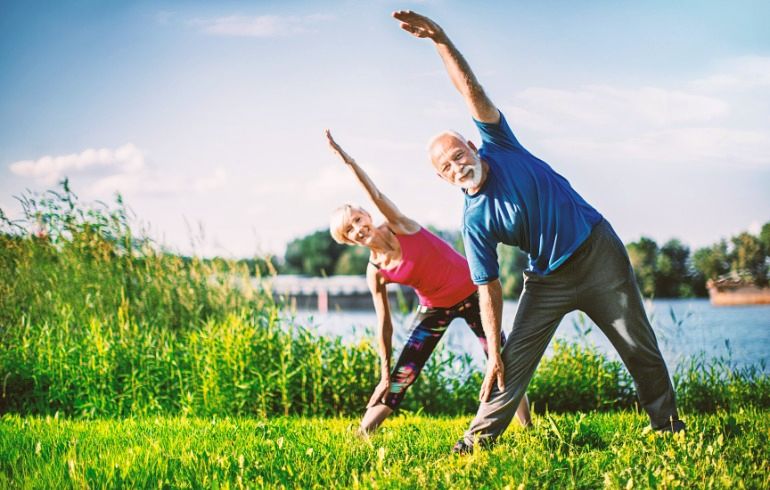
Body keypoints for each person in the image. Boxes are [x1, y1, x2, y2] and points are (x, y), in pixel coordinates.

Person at [392, 10, 685, 452]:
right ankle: (474, 442)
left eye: (459, 155)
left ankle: (668, 428)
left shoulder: (500, 145)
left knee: (637, 346)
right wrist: (493, 350)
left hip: (598, 254)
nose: (457, 166)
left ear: (471, 145)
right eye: (446, 167)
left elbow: (471, 91)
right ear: (442, 178)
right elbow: (487, 288)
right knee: (508, 364)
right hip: (547, 280)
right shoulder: (475, 221)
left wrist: (441, 40)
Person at [325, 129, 531, 435]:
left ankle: (528, 429)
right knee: (401, 377)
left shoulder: (399, 226)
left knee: (500, 357)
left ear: (366, 215)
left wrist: (348, 161)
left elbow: (376, 195)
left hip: (474, 294)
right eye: (349, 230)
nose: (358, 229)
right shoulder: (375, 271)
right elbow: (384, 325)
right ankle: (361, 435)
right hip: (435, 309)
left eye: (357, 220)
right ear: (348, 240)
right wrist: (385, 374)